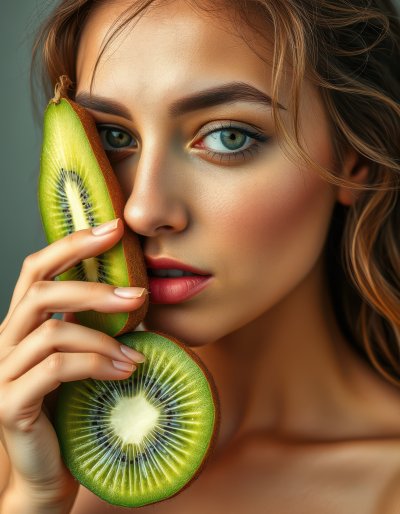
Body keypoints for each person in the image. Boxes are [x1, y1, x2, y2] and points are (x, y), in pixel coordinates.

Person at [1, 0, 399, 512]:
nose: (143, 210)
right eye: (113, 137)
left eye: (228, 137)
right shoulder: (29, 455)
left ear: (354, 157)